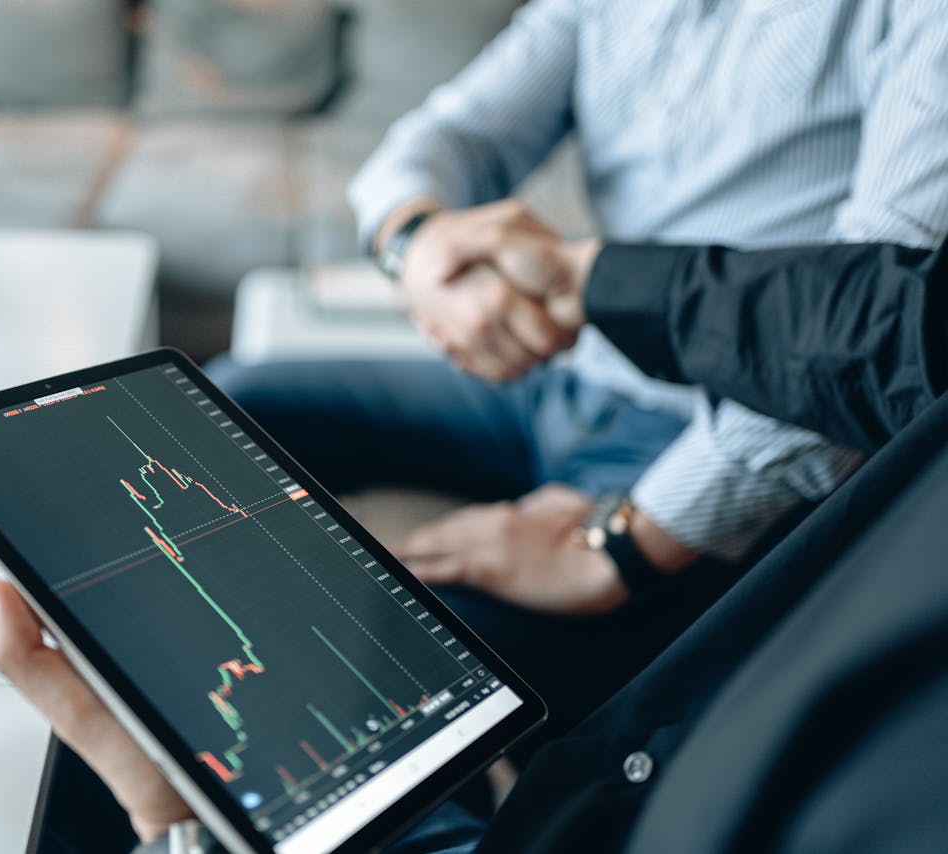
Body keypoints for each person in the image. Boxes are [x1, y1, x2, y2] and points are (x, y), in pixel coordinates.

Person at [0, 235, 948, 853]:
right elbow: (907, 320)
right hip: (579, 378)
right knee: (211, 411)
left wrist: (175, 830)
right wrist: (584, 277)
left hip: (579, 805)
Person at [206, 0, 948, 741]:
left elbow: (876, 337)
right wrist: (420, 243)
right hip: (563, 371)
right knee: (219, 412)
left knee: (416, 654)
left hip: (714, 430)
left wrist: (623, 544)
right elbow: (453, 133)